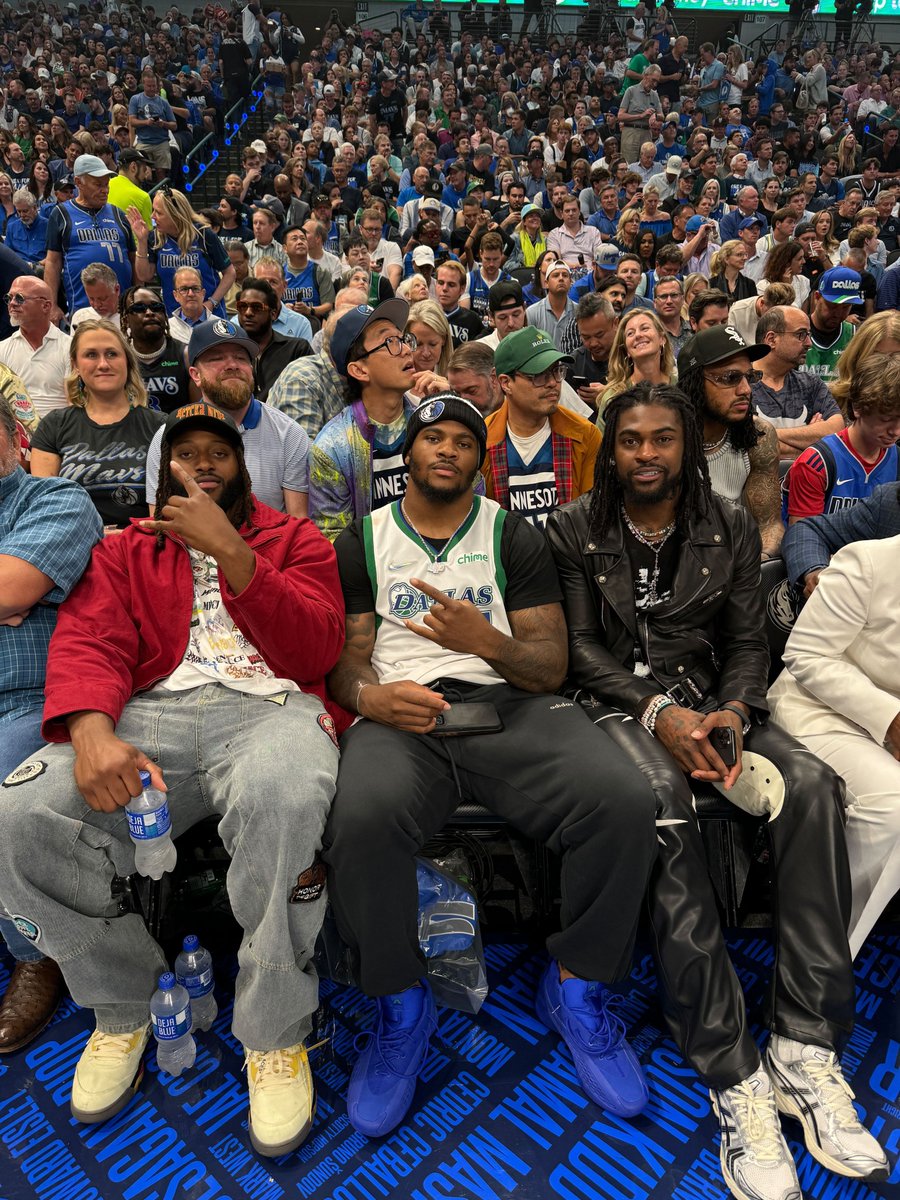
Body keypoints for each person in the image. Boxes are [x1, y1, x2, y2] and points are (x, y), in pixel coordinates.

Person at [546, 380, 889, 1200]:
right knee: (664, 808)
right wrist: (662, 713)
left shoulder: (728, 524)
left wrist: (734, 708)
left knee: (809, 784)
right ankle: (734, 1069)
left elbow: (745, 639)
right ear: (612, 450)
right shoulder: (569, 529)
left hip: (715, 694)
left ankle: (805, 1046)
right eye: (632, 441)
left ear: (686, 446)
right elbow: (578, 653)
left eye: (664, 440)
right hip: (619, 705)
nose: (648, 455)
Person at [0, 399, 346, 1157]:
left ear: (243, 467)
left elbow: (318, 650)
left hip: (269, 710)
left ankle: (274, 1029)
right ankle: (122, 1006)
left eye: (217, 452)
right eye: (184, 453)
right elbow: (89, 639)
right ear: (161, 472)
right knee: (19, 816)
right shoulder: (126, 550)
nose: (204, 463)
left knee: (285, 795)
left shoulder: (295, 538)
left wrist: (235, 553)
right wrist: (90, 730)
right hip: (146, 714)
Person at [323, 391, 659, 1139]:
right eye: (432, 438)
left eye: (463, 443)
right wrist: (371, 699)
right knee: (360, 819)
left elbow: (548, 665)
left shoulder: (513, 536)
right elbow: (345, 665)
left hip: (508, 706)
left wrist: (487, 640)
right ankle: (400, 1002)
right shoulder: (363, 541)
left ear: (481, 461)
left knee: (621, 800)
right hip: (405, 715)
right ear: (407, 453)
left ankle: (576, 986)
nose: (447, 450)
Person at [0, 393, 101, 1054]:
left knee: (6, 799)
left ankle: (36, 952)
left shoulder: (53, 500)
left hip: (30, 699)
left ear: (15, 436)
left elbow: (11, 592)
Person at [768, 533, 900, 961]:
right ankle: (820, 964)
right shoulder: (869, 561)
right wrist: (890, 719)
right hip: (821, 709)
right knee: (893, 805)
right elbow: (806, 655)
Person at [145, 321, 308, 518]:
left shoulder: (289, 434)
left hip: (267, 547)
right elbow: (159, 523)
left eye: (240, 358)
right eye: (216, 358)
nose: (232, 365)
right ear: (195, 375)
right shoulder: (167, 436)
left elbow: (298, 523)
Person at [30, 320, 164, 530]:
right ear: (75, 364)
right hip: (74, 545)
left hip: (141, 544)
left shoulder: (160, 426)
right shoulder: (54, 425)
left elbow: (164, 513)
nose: (103, 364)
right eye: (91, 355)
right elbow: (45, 508)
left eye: (112, 354)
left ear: (127, 361)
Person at [309, 298, 417, 542]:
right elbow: (333, 540)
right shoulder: (332, 449)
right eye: (390, 342)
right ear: (359, 370)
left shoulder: (431, 422)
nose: (407, 350)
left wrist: (453, 411)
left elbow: (470, 496)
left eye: (403, 339)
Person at [677, 326, 784, 558]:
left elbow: (769, 524)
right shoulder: (667, 441)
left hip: (733, 562)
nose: (745, 390)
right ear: (695, 383)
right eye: (731, 378)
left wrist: (758, 562)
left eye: (749, 377)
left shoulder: (758, 436)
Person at [483, 327, 600, 528]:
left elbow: (595, 518)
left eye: (557, 371)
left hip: (570, 557)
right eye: (539, 375)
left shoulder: (585, 435)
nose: (553, 383)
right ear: (506, 383)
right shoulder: (481, 440)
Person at [784, 353, 900, 525]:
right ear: (857, 407)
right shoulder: (815, 463)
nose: (896, 431)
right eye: (885, 419)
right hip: (825, 550)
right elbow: (802, 540)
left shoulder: (897, 460)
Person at [267, 288, 369, 441]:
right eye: (380, 341)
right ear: (350, 350)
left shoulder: (358, 379)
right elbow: (306, 459)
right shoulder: (303, 380)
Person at [44, 155, 135, 319]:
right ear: (79, 183)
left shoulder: (118, 214)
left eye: (106, 184)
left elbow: (132, 259)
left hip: (122, 310)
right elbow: (52, 261)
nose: (105, 189)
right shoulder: (61, 214)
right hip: (82, 310)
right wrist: (52, 304)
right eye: (98, 184)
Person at [751, 307, 844, 460]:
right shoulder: (742, 384)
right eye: (801, 335)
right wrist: (811, 437)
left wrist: (768, 433)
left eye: (809, 335)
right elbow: (748, 446)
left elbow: (837, 431)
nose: (809, 343)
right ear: (771, 339)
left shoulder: (811, 383)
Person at [129, 188, 234, 320]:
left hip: (210, 315)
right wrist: (142, 241)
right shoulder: (154, 238)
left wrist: (212, 302)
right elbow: (144, 275)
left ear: (176, 214)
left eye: (159, 213)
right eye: (153, 211)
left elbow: (230, 273)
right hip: (174, 318)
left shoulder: (204, 235)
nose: (152, 217)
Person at [0, 276, 70, 418]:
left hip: (60, 433)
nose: (12, 303)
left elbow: (74, 403)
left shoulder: (70, 347)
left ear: (46, 306)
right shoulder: (2, 349)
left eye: (19, 298)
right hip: (16, 434)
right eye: (9, 298)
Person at [120, 286, 192, 414]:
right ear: (126, 320)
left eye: (156, 307)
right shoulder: (120, 359)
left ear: (165, 316)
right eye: (139, 308)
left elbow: (199, 412)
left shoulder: (186, 355)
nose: (149, 312)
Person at [598, 308, 674, 422]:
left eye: (645, 328)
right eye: (630, 333)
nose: (638, 335)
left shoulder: (682, 386)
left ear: (662, 339)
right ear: (627, 351)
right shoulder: (613, 397)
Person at [799, 267, 861, 385]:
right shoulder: (794, 332)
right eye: (832, 306)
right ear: (817, 297)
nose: (838, 314)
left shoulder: (854, 336)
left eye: (846, 307)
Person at [568, 294, 619, 412]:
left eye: (599, 335)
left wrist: (609, 396)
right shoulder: (573, 363)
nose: (593, 343)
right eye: (586, 337)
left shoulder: (632, 358)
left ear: (615, 324)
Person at [127, 69, 177, 181]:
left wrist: (163, 123)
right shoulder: (135, 99)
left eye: (154, 86)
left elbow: (174, 125)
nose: (152, 88)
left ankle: (163, 194)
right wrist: (146, 122)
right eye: (149, 86)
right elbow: (132, 121)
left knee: (161, 172)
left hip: (161, 141)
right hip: (143, 141)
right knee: (141, 173)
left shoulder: (163, 102)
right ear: (143, 84)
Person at [728, 282, 796, 349]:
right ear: (762, 303)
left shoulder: (792, 311)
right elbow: (731, 345)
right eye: (773, 313)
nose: (776, 319)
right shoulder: (736, 311)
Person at [525, 260, 577, 349]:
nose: (561, 278)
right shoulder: (531, 313)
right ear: (546, 283)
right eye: (555, 275)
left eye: (565, 275)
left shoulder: (579, 311)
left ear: (570, 282)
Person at [435, 260, 483, 348]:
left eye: (451, 284)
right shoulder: (426, 316)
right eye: (441, 283)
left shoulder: (472, 320)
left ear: (462, 289)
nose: (444, 288)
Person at [447, 341, 502, 416]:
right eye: (457, 393)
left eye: (471, 391)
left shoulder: (520, 413)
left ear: (494, 378)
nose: (463, 401)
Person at [107, 148, 153, 229]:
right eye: (144, 169)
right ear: (133, 167)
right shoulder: (143, 197)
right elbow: (148, 234)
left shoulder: (105, 186)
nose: (145, 175)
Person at [69, 263, 122, 331]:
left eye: (102, 298)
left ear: (117, 290)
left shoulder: (132, 319)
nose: (97, 305)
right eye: (91, 298)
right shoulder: (80, 317)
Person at [4, 188, 48, 268]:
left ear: (35, 208)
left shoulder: (49, 226)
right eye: (19, 211)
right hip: (17, 268)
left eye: (25, 211)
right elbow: (7, 255)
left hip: (40, 268)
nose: (22, 215)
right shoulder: (12, 227)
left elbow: (53, 257)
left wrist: (34, 266)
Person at [653, 276, 692, 358]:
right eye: (663, 296)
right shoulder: (651, 334)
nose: (669, 301)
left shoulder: (694, 329)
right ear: (655, 303)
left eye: (674, 295)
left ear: (682, 299)